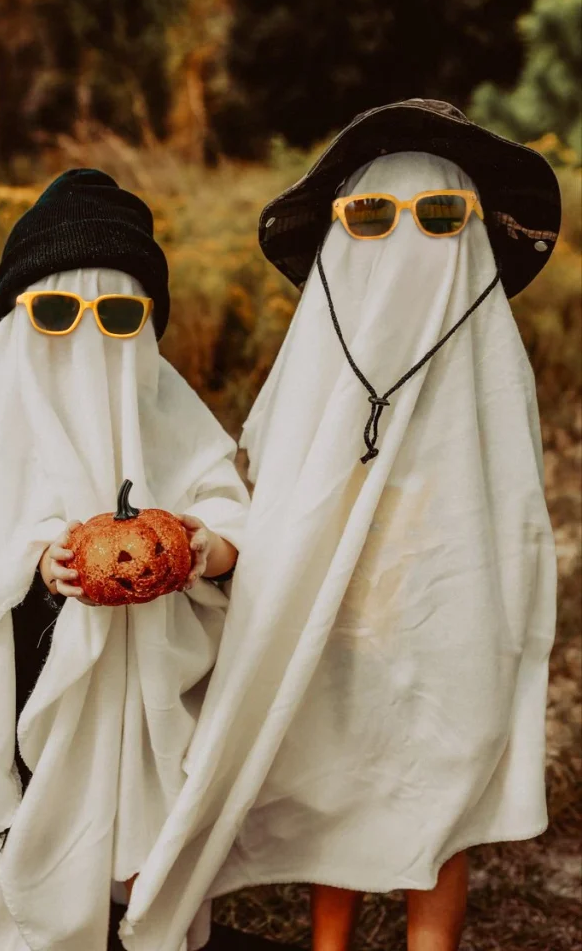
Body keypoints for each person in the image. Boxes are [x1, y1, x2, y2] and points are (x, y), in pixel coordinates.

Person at [122, 100, 561, 951]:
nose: (402, 240)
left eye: (438, 218)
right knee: (343, 775)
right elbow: (286, 487)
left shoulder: (485, 362)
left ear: (471, 233)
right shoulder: (322, 358)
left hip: (451, 610)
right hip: (343, 614)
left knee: (439, 778)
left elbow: (510, 504)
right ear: (338, 232)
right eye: (369, 215)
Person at [0, 169, 249, 951]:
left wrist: (206, 545)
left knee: (151, 818)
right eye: (58, 312)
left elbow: (228, 505)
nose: (90, 335)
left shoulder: (166, 406)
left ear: (147, 324)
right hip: (40, 668)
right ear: (21, 319)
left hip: (155, 666)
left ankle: (146, 920)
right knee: (47, 821)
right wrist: (36, 567)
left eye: (119, 314)